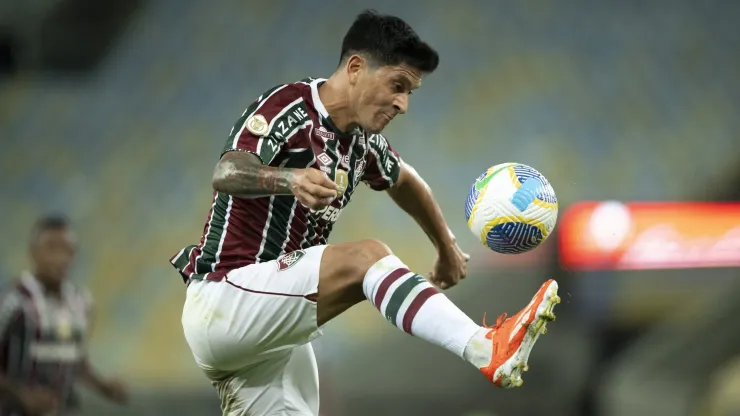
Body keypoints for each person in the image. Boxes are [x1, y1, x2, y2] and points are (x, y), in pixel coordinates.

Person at [174, 9, 560, 416]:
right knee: (366, 258)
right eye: (398, 85)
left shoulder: (361, 142)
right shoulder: (290, 106)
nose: (403, 104)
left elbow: (406, 181)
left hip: (269, 337)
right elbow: (227, 171)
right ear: (355, 68)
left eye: (410, 92)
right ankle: (484, 346)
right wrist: (288, 180)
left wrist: (445, 245)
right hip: (227, 298)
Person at [0, 215, 129, 415]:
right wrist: (22, 396)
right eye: (51, 248)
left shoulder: (81, 302)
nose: (60, 258)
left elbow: (75, 359)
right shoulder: (14, 302)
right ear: (33, 252)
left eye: (67, 250)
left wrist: (104, 386)